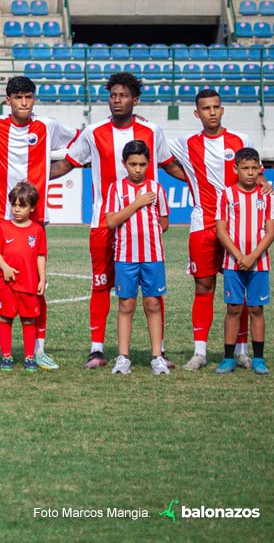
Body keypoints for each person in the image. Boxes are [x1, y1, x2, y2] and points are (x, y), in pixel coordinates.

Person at [50, 72, 185, 370]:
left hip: (143, 226)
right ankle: (97, 349)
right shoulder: (93, 131)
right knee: (101, 283)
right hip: (104, 221)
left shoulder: (152, 131)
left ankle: (158, 351)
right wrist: (32, 175)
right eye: (113, 95)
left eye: (123, 95)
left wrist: (203, 184)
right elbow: (66, 163)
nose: (116, 100)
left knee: (151, 291)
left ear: (135, 100)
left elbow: (170, 165)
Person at [0, 76, 78, 370]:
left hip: (34, 222)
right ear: (7, 100)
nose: (24, 102)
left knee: (36, 287)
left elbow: (82, 140)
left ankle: (39, 351)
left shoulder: (48, 126)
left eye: (29, 97)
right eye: (18, 97)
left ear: (34, 99)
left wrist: (49, 176)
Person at [168, 89, 260, 370]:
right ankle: (200, 352)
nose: (211, 112)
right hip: (203, 224)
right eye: (205, 108)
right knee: (203, 286)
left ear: (222, 110)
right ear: (197, 113)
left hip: (237, 226)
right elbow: (163, 158)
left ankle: (241, 351)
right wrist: (193, 178)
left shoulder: (241, 140)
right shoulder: (185, 142)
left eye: (216, 107)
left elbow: (255, 173)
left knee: (239, 289)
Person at [104, 141, 170, 375]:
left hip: (153, 256)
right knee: (126, 304)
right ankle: (123, 357)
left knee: (153, 304)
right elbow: (111, 221)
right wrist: (137, 204)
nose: (138, 169)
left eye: (142, 164)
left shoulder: (156, 189)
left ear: (149, 164)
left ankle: (157, 356)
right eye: (133, 164)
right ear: (124, 164)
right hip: (125, 256)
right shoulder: (116, 189)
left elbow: (163, 222)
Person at [215, 147, 274, 375]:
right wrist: (239, 256)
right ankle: (228, 357)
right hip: (233, 263)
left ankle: (258, 358)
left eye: (254, 168)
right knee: (233, 308)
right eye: (245, 168)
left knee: (257, 309)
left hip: (258, 262)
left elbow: (270, 232)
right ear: (236, 169)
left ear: (260, 169)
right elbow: (222, 230)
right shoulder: (227, 195)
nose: (250, 173)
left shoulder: (267, 195)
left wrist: (252, 256)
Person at [0, 182, 47, 372]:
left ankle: (30, 357)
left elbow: (40, 255)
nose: (16, 209)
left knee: (29, 320)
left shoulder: (37, 230)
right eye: (14, 205)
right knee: (5, 318)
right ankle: (6, 356)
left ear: (31, 208)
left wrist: (41, 278)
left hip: (29, 283)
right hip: (7, 283)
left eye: (21, 206)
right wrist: (5, 268)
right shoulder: (3, 228)